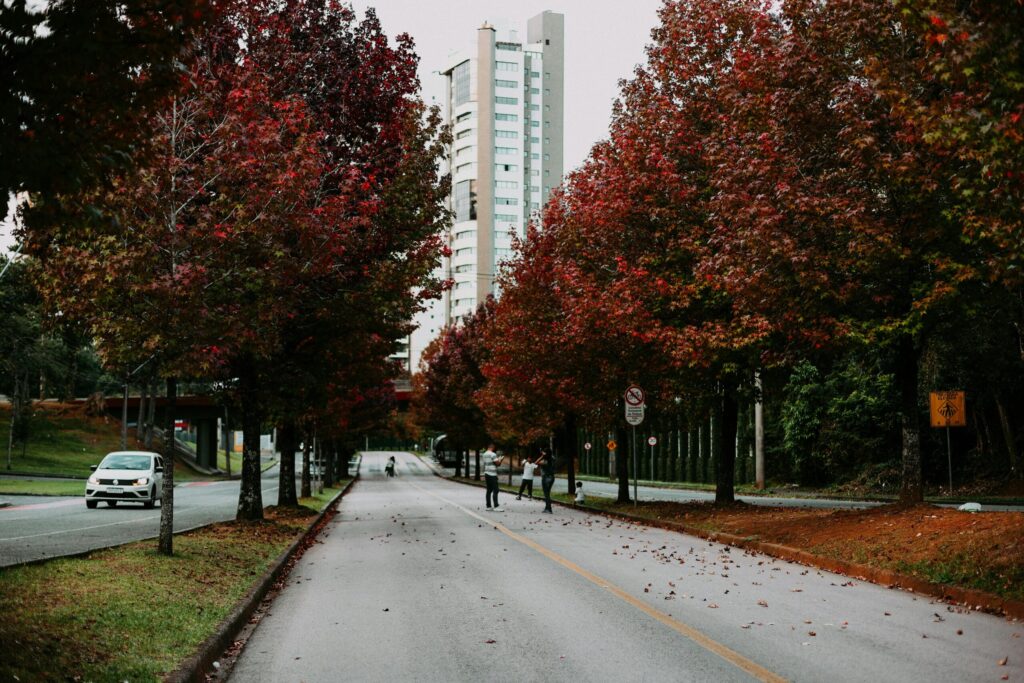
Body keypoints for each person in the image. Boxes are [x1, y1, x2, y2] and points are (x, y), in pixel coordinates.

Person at [483, 444, 504, 511]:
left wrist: (497, 460)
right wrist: (501, 460)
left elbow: (490, 462)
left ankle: (488, 506)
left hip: (486, 473)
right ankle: (496, 506)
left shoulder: (484, 454)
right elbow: (498, 464)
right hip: (492, 474)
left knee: (489, 490)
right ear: (492, 447)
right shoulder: (493, 454)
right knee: (496, 490)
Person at [539, 448, 555, 514]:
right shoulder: (553, 458)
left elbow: (536, 462)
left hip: (545, 477)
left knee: (546, 494)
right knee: (547, 493)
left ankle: (549, 509)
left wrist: (542, 456)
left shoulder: (545, 461)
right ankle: (547, 508)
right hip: (552, 477)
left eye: (543, 452)